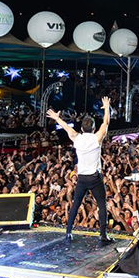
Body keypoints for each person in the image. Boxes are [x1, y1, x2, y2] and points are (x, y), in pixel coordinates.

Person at [48, 96, 112, 243]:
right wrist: (107, 108)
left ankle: (68, 232)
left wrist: (57, 118)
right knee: (102, 205)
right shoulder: (97, 138)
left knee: (76, 204)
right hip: (95, 178)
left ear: (82, 128)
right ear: (93, 128)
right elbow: (106, 122)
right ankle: (103, 234)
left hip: (82, 178)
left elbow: (66, 127)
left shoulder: (76, 137)